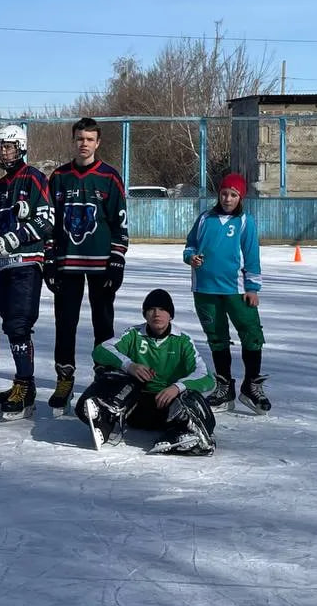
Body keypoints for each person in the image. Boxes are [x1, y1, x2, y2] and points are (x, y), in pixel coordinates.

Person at [45, 117, 129, 414]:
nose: (84, 144)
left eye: (90, 139)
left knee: (103, 325)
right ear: (74, 140)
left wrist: (117, 259)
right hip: (67, 264)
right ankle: (64, 378)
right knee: (65, 324)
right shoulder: (59, 176)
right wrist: (50, 259)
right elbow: (50, 223)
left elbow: (120, 222)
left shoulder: (109, 177)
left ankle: (104, 376)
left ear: (98, 142)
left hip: (100, 265)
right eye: (80, 138)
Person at [74, 289, 217, 454]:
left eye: (162, 309)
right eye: (151, 309)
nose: (157, 314)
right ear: (145, 314)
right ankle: (104, 418)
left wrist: (177, 387)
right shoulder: (134, 334)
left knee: (191, 396)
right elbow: (101, 350)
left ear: (170, 315)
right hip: (136, 407)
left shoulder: (182, 340)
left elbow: (207, 378)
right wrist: (130, 365)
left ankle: (188, 436)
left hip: (168, 408)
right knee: (113, 374)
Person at [0, 124, 54, 420]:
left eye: (8, 146)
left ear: (21, 147)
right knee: (10, 326)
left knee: (20, 325)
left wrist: (12, 239)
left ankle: (25, 385)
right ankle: (23, 383)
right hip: (2, 266)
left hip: (26, 263)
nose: (3, 152)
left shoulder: (34, 178)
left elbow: (47, 220)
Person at [183, 172, 270, 413]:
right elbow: (190, 245)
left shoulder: (245, 222)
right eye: (224, 193)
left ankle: (251, 386)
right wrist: (191, 257)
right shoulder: (205, 219)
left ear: (240, 197)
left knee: (251, 334)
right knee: (217, 337)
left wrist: (252, 288)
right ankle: (224, 387)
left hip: (237, 290)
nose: (228, 199)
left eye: (233, 195)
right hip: (204, 289)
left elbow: (252, 256)